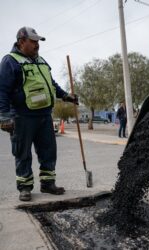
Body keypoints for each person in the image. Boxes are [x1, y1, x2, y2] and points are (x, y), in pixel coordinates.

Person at [0, 27, 79, 201]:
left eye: (38, 42)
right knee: (23, 153)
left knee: (48, 151)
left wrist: (66, 96)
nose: (37, 45)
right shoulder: (10, 61)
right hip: (22, 117)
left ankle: (48, 184)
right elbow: (2, 91)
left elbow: (51, 83)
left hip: (44, 116)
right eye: (33, 41)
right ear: (22, 42)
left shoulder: (41, 61)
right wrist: (4, 116)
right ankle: (25, 187)